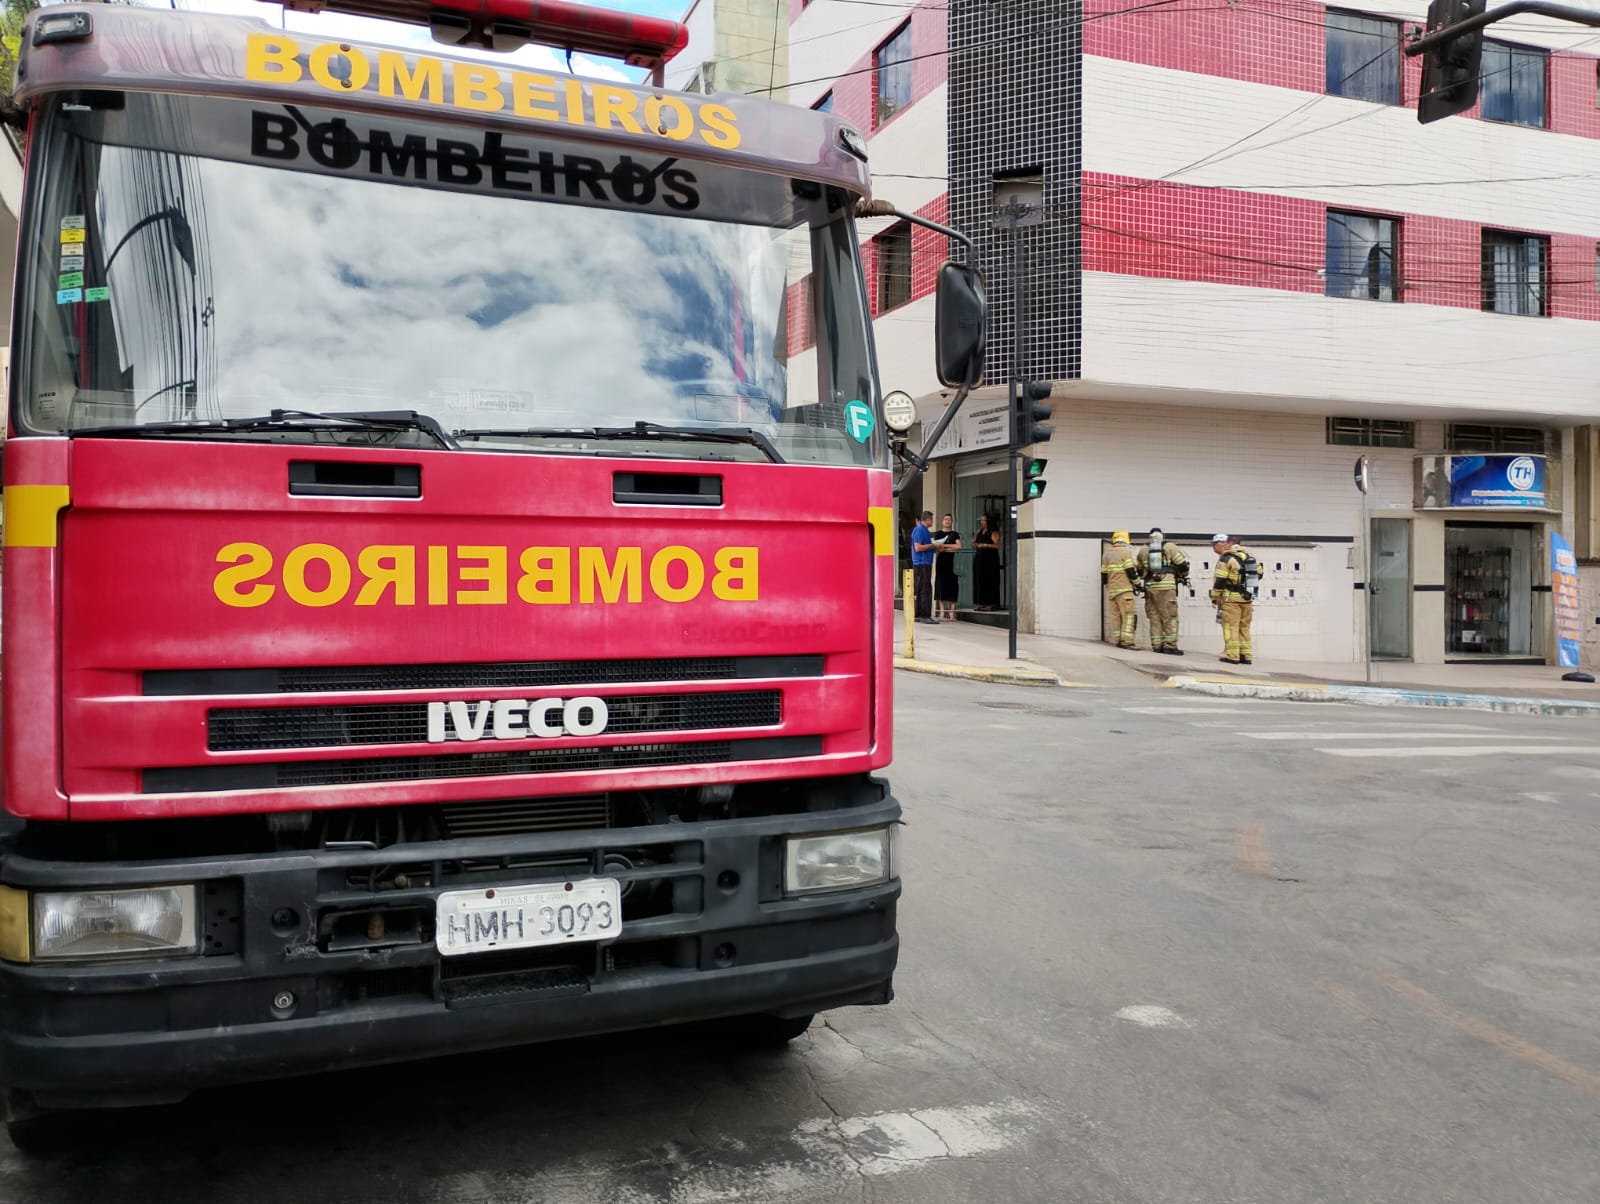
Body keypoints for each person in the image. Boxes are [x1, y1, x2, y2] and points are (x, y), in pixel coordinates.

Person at [1136, 528, 1189, 655]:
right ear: (1162, 536)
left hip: (1150, 588)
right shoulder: (1170, 547)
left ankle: (1157, 645)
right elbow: (1182, 565)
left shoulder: (1143, 550)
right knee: (1169, 617)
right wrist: (1182, 575)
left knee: (1154, 617)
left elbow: (1139, 571)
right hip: (1166, 588)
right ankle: (1170, 646)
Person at [1209, 533, 1257, 664]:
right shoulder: (1248, 557)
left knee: (1231, 627)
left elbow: (1220, 580)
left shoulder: (1227, 558)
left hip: (1231, 600)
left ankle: (1232, 656)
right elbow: (1259, 574)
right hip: (1247, 599)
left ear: (1227, 544)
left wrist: (1215, 596)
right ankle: (1246, 656)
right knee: (1244, 627)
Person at [1101, 530, 1140, 649]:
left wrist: (1110, 587)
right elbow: (1131, 572)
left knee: (1116, 617)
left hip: (1112, 591)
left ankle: (1118, 640)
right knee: (1129, 615)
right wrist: (1138, 584)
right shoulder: (1125, 552)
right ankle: (1127, 641)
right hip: (1124, 590)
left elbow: (1104, 576)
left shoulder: (1106, 554)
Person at [933, 513, 962, 622]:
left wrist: (944, 546)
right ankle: (942, 611)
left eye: (949, 519)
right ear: (942, 521)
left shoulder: (955, 534)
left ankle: (952, 612)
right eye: (945, 519)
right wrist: (949, 548)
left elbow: (958, 546)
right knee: (941, 585)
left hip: (952, 562)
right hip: (941, 562)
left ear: (952, 522)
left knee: (952, 585)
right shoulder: (938, 534)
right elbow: (937, 548)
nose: (947, 521)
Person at [911, 510, 938, 624]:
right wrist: (932, 545)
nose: (932, 522)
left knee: (921, 588)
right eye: (931, 520)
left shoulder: (925, 531)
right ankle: (925, 615)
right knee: (925, 589)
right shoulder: (919, 530)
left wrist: (934, 547)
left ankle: (918, 614)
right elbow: (917, 547)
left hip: (924, 562)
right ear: (927, 520)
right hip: (922, 563)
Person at [971, 513, 1001, 610]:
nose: (982, 522)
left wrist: (985, 545)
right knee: (980, 580)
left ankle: (991, 603)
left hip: (990, 559)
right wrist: (976, 544)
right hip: (980, 558)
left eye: (984, 520)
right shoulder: (979, 531)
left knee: (990, 580)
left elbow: (997, 545)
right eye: (981, 520)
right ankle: (982, 603)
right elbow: (973, 542)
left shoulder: (993, 532)